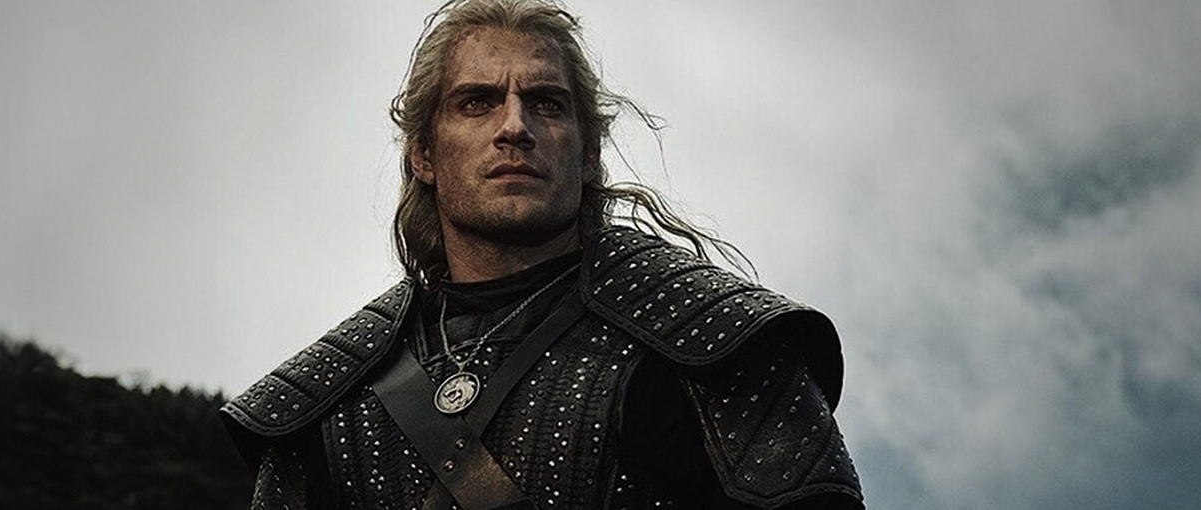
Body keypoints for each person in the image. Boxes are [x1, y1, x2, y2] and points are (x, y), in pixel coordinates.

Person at [220, 1, 864, 508]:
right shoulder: (327, 404)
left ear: (587, 155)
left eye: (546, 104)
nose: (514, 127)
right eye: (477, 102)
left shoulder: (713, 343)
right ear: (424, 155)